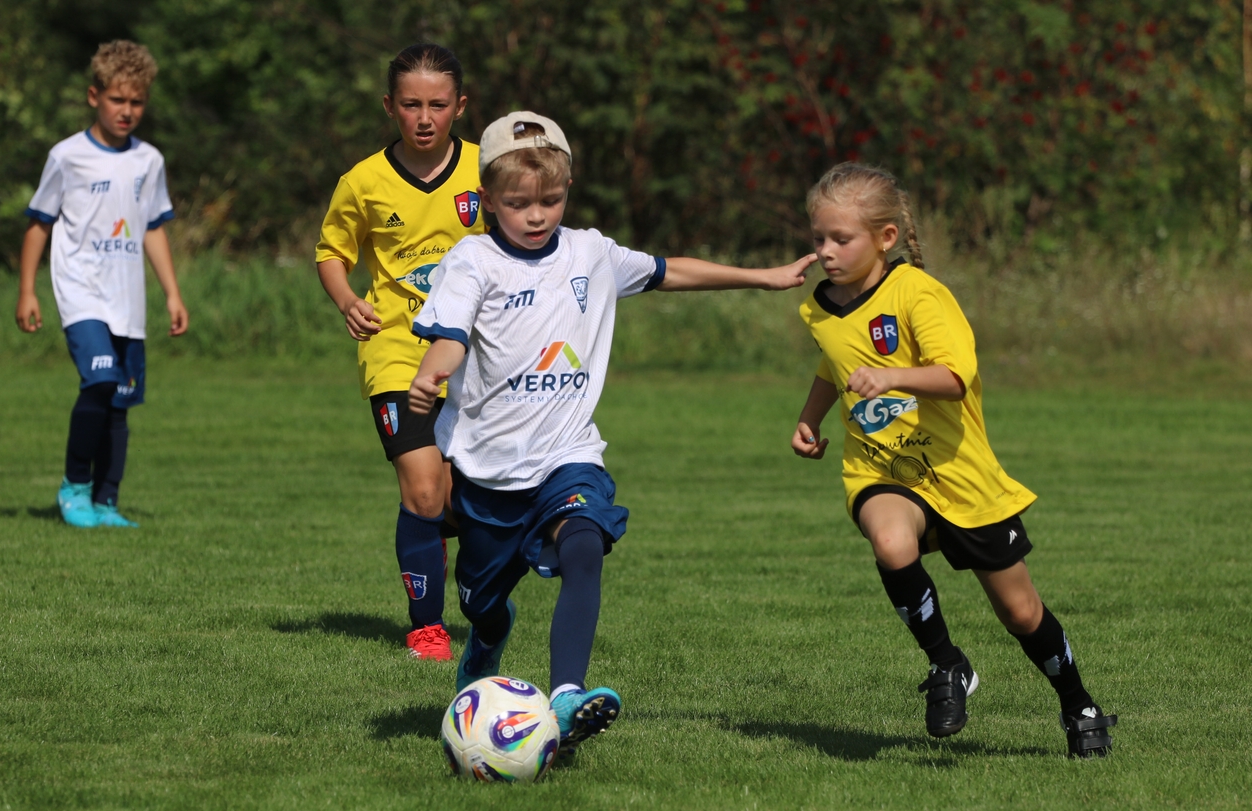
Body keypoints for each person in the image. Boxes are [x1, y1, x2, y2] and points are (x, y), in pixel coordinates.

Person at [407, 111, 813, 755]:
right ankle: (487, 640)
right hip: (488, 474)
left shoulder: (590, 252)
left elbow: (668, 271)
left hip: (568, 456)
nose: (536, 215)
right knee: (482, 605)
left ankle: (567, 696)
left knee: (585, 543)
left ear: (568, 189)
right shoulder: (473, 261)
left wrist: (763, 277)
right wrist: (433, 372)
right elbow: (450, 336)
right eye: (518, 203)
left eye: (551, 200)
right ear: (487, 198)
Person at [790, 162, 1115, 758]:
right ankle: (947, 664)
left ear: (886, 238)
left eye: (842, 238)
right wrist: (810, 418)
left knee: (1021, 613)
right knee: (891, 542)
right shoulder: (819, 306)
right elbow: (833, 363)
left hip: (959, 474)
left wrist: (891, 377)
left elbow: (954, 377)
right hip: (881, 467)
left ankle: (1079, 704)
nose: (826, 251)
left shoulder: (919, 294)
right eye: (818, 238)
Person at [315, 44, 486, 662]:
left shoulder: (486, 171)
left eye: (437, 105)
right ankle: (426, 628)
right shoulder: (363, 181)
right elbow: (331, 253)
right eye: (411, 104)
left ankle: (449, 548)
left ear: (459, 106)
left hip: (475, 359)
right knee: (423, 493)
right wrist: (346, 299)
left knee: (463, 501)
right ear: (390, 106)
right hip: (394, 352)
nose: (424, 117)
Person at [17, 40, 187, 529]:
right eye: (117, 100)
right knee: (99, 380)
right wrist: (27, 290)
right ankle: (74, 486)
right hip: (80, 292)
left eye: (137, 102)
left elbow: (152, 227)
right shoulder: (67, 156)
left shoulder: (149, 161)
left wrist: (172, 293)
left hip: (126, 300)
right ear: (95, 96)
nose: (127, 111)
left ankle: (106, 501)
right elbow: (39, 224)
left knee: (120, 402)